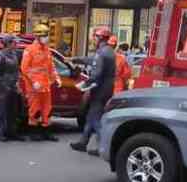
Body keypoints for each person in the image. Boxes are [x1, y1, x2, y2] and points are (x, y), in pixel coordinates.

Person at [70, 27, 116, 156]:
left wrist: (84, 84)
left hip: (100, 89)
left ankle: (103, 147)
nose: (93, 39)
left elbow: (96, 73)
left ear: (100, 38)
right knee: (91, 116)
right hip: (106, 89)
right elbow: (92, 60)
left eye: (95, 37)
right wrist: (76, 59)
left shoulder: (102, 53)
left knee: (96, 119)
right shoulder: (108, 51)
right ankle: (83, 142)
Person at [21, 24, 61, 142]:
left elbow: (51, 67)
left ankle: (46, 132)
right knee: (35, 110)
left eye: (47, 35)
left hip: (45, 85)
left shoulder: (47, 50)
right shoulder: (30, 50)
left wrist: (57, 78)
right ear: (38, 37)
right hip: (34, 87)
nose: (46, 38)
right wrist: (33, 82)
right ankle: (34, 133)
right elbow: (24, 68)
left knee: (46, 110)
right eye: (44, 35)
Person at [0, 35, 22, 142]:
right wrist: (4, 86)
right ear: (8, 43)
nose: (16, 44)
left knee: (13, 111)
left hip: (13, 86)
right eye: (14, 43)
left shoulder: (14, 54)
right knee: (1, 111)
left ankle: (11, 132)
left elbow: (17, 71)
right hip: (2, 87)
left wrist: (17, 83)